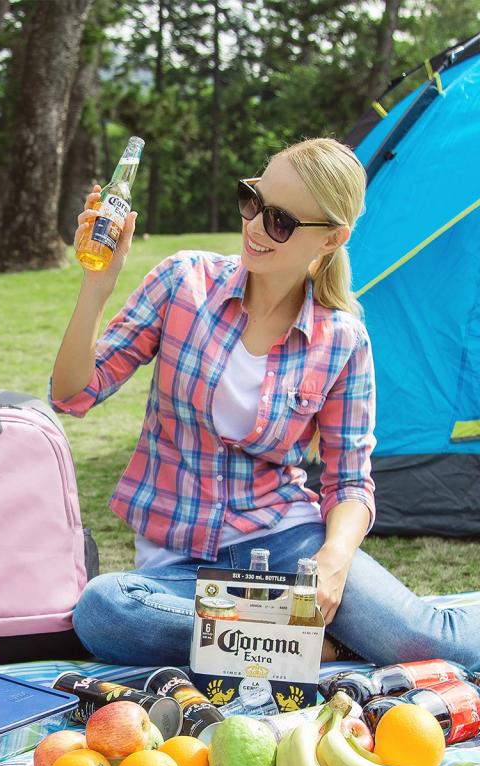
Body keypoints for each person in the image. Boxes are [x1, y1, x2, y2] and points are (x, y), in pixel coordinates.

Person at [51, 137, 480, 671]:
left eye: (279, 221)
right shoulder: (183, 282)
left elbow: (349, 482)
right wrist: (98, 283)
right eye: (252, 201)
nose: (255, 226)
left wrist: (333, 560)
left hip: (286, 544)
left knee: (437, 645)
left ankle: (268, 646)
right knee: (106, 609)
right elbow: (72, 393)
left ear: (332, 238)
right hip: (181, 568)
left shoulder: (343, 339)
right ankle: (305, 646)